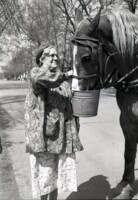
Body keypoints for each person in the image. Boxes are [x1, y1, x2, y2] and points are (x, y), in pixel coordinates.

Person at [24, 45, 83, 200]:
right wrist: (68, 74)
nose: (56, 57)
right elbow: (47, 80)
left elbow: (68, 104)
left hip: (61, 137)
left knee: (55, 177)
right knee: (45, 176)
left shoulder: (62, 82)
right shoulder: (36, 73)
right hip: (45, 138)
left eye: (57, 55)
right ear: (41, 58)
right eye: (51, 55)